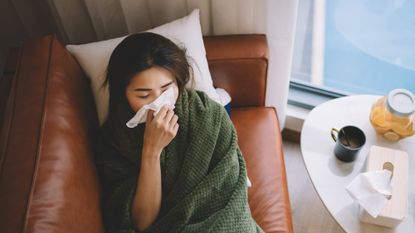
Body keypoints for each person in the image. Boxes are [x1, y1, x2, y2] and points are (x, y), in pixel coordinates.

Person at [94, 32, 263, 233]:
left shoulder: (209, 117)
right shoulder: (114, 140)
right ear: (123, 93)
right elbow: (141, 222)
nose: (158, 103)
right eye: (144, 94)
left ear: (179, 82)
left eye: (166, 89)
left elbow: (229, 194)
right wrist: (152, 150)